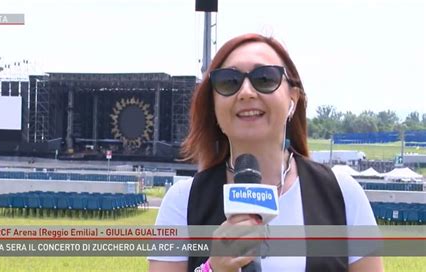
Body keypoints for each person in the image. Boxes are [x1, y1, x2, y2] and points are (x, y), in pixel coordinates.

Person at [148, 33, 383, 272]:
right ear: (214, 105)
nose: (246, 92)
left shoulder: (343, 195)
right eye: (229, 81)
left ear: (293, 99)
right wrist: (213, 268)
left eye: (264, 78)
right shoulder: (182, 202)